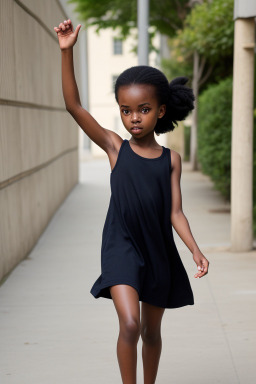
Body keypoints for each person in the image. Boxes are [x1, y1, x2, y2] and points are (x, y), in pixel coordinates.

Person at [54, 19, 209, 384]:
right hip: (121, 247)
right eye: (126, 110)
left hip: (158, 250)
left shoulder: (172, 160)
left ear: (160, 111)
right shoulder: (114, 148)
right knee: (129, 322)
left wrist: (195, 250)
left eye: (142, 109)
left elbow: (175, 211)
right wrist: (66, 52)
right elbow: (73, 105)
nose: (133, 118)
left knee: (151, 333)